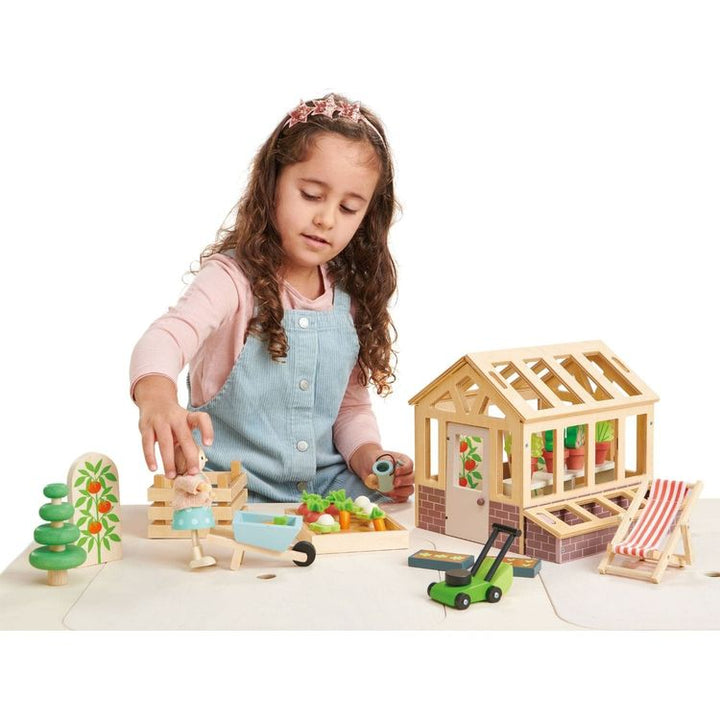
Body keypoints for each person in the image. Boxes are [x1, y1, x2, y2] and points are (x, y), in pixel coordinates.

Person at [130, 92, 414, 504]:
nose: (326, 219)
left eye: (349, 208)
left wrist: (370, 458)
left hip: (325, 490)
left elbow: (349, 409)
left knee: (405, 514)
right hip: (234, 491)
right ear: (272, 184)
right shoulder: (231, 281)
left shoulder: (348, 299)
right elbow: (166, 337)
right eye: (311, 195)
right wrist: (157, 397)